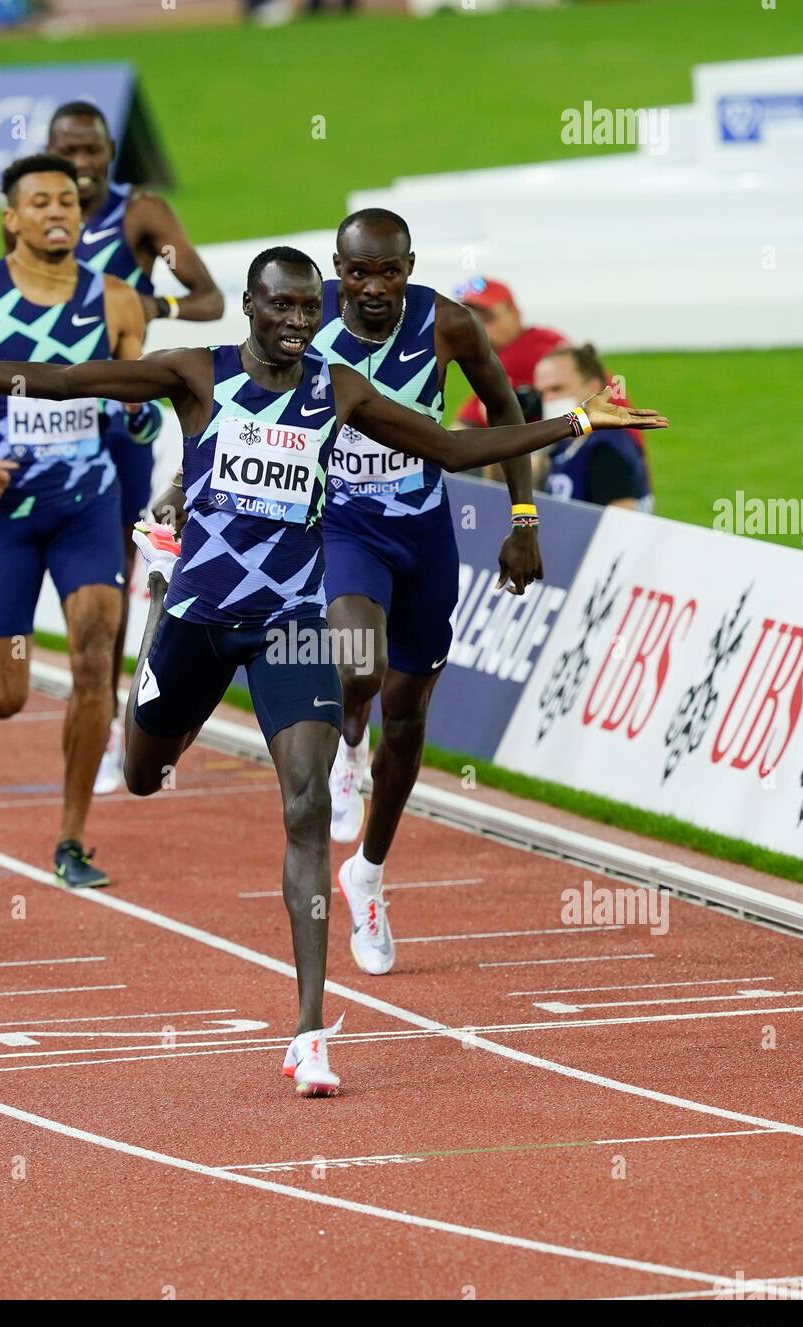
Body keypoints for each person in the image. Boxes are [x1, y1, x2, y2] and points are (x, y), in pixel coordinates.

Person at [0, 246, 668, 1096]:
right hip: (196, 621)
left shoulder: (337, 390)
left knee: (306, 807)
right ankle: (157, 620)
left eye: (311, 308)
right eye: (283, 308)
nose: (299, 322)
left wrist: (576, 423)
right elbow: (65, 380)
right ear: (250, 307)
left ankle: (310, 1031)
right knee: (145, 772)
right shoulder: (194, 374)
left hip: (289, 625)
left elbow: (451, 449)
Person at [0, 153, 151, 889]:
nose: (57, 213)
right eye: (39, 202)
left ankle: (71, 838)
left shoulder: (116, 301)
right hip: (5, 513)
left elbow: (138, 424)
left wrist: (135, 416)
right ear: (11, 217)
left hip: (87, 508)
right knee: (5, 698)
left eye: (69, 203)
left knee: (95, 650)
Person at [312, 209, 538, 975]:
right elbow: (241, 412)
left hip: (421, 535)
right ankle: (346, 744)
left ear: (409, 267)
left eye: (388, 272)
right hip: (343, 526)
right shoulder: (303, 327)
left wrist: (523, 518)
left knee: (406, 721)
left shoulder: (447, 324)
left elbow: (505, 412)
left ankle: (367, 874)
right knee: (357, 669)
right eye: (357, 272)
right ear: (334, 269)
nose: (373, 288)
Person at [45, 101, 224, 795]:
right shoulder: (37, 211)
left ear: (111, 151)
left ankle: (115, 712)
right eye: (69, 151)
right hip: (47, 416)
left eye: (93, 151)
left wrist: (152, 305)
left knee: (113, 571)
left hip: (118, 416)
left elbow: (207, 297)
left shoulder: (138, 215)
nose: (82, 165)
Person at [534, 343, 653, 511]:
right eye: (542, 393)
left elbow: (621, 525)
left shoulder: (605, 450)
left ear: (593, 389)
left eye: (557, 389)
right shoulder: (566, 444)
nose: (548, 400)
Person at [454, 277, 567, 427]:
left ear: (515, 314)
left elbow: (466, 424)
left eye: (488, 318)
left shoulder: (522, 354)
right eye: (472, 320)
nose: (478, 328)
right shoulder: (545, 337)